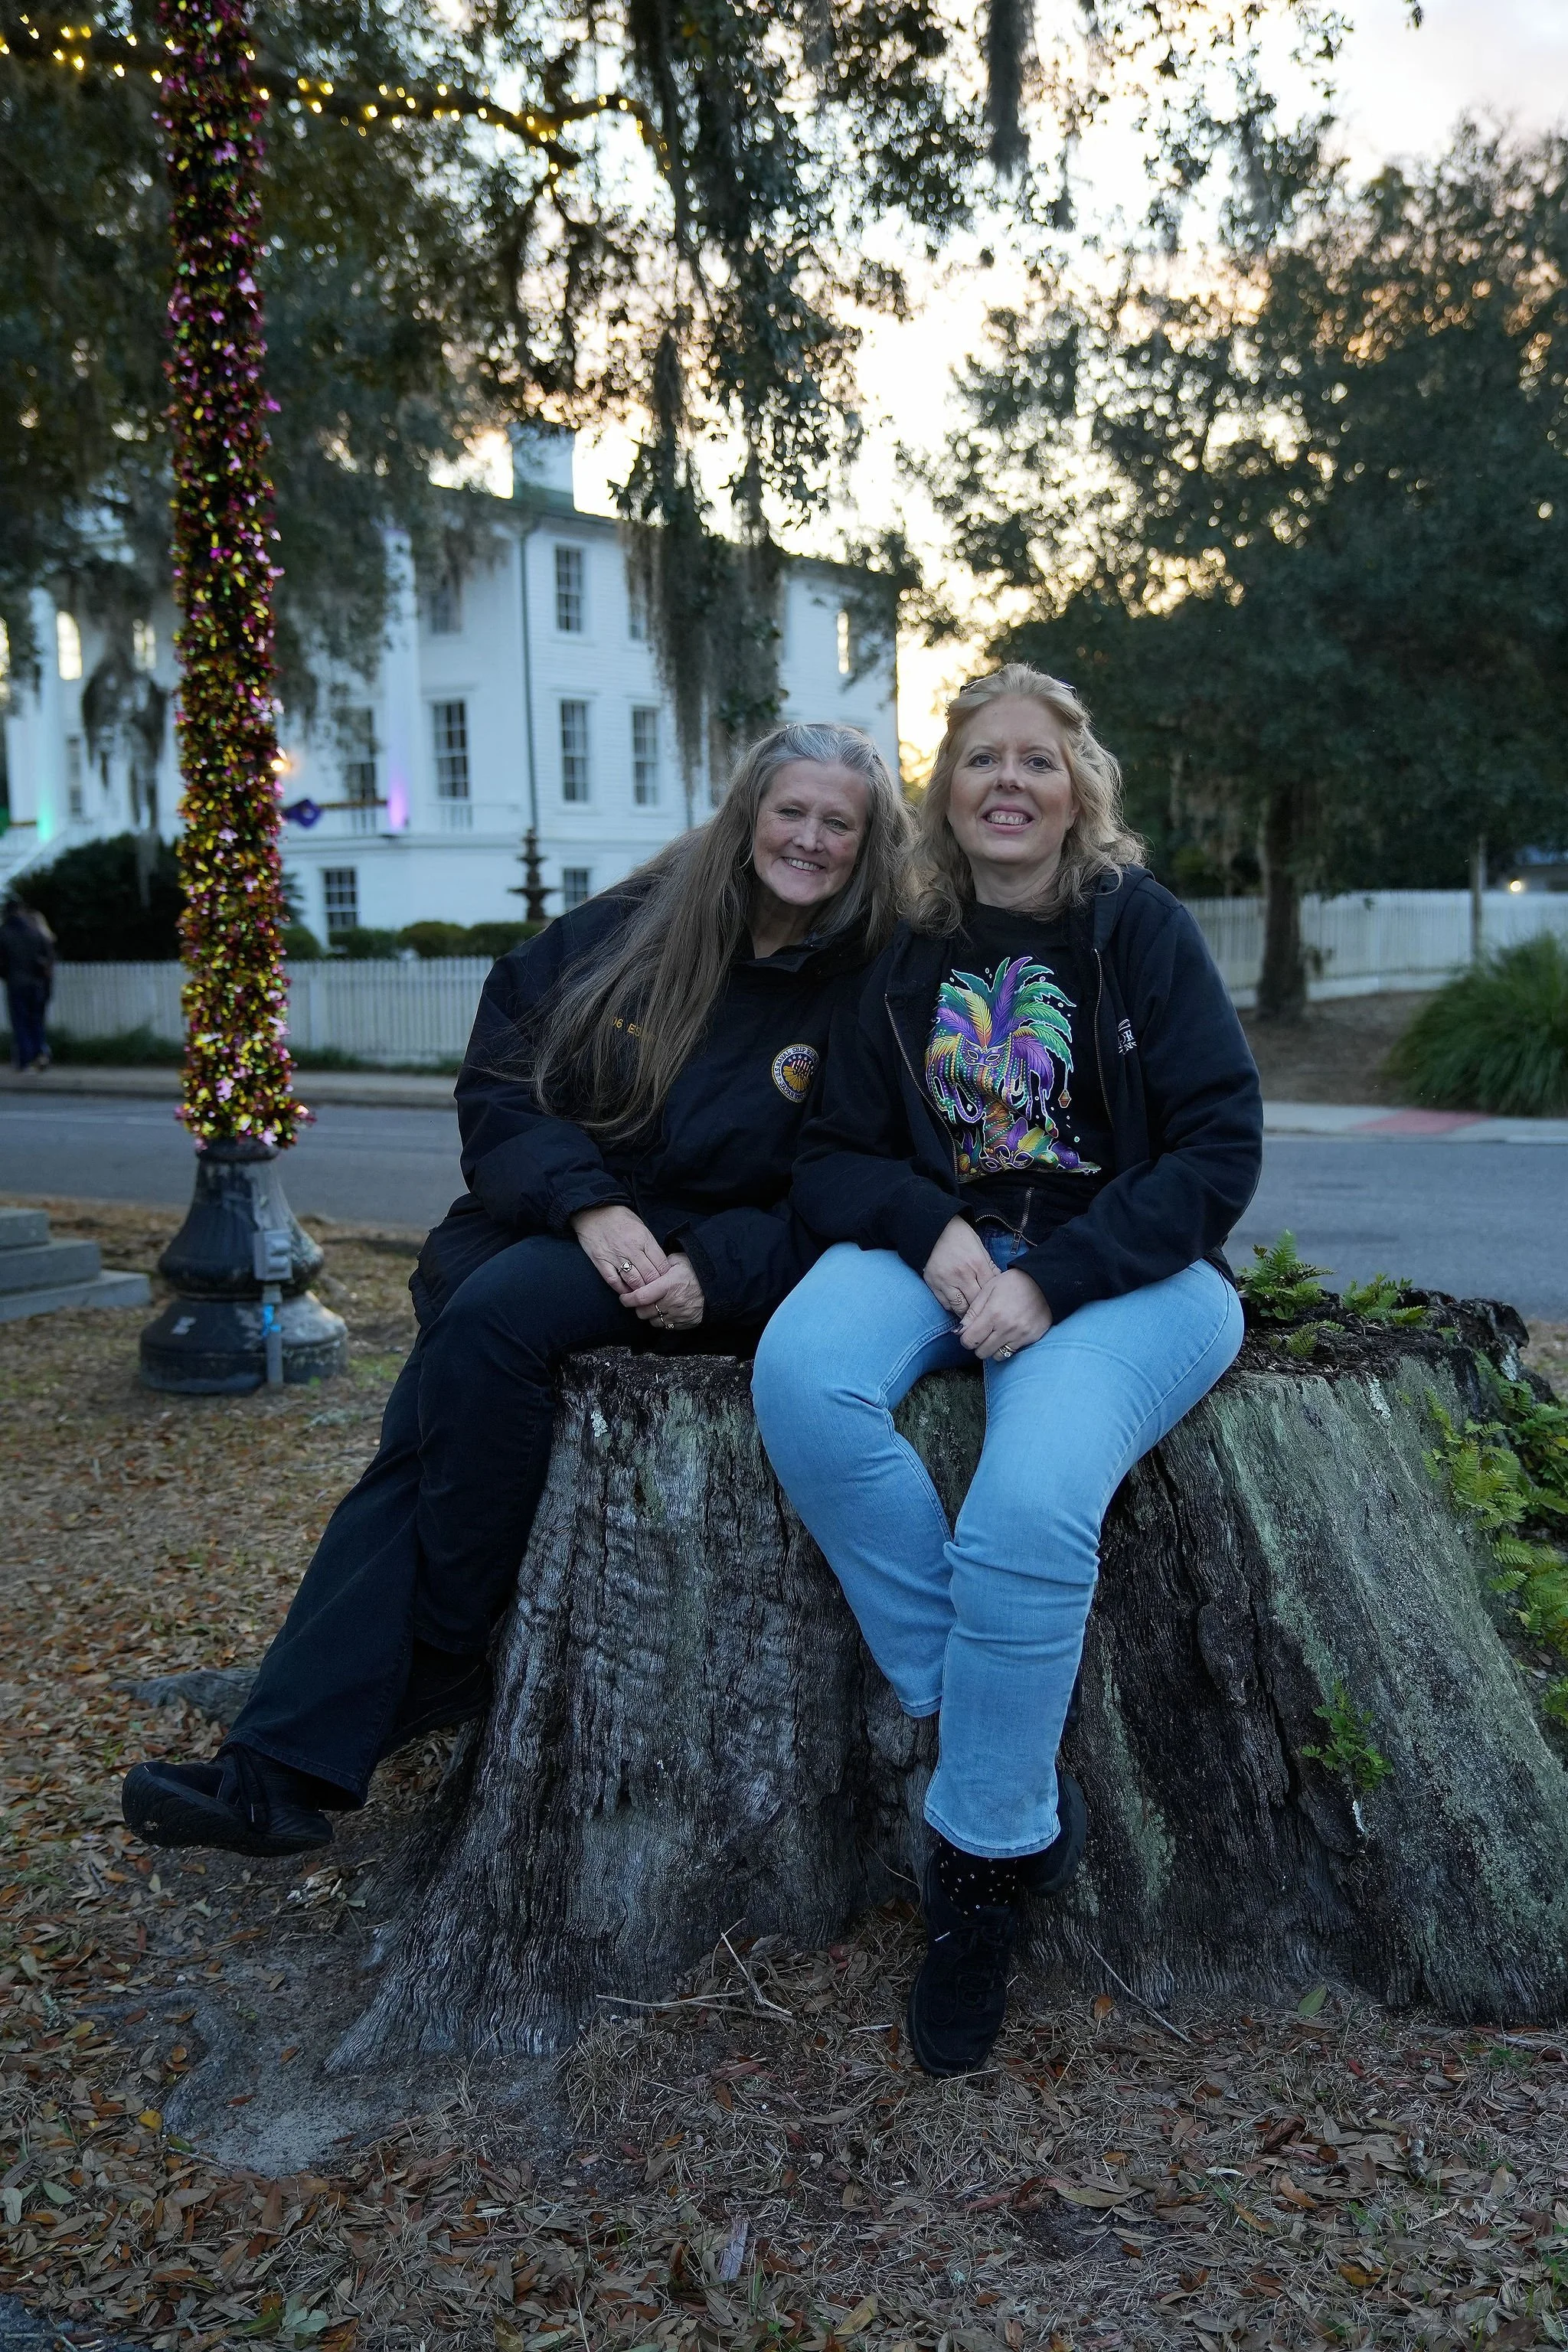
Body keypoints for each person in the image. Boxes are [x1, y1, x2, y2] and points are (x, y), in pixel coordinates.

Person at [123, 720, 911, 1858]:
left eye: (840, 823)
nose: (811, 838)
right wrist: (589, 1204)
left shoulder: (864, 987)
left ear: (867, 843)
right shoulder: (632, 928)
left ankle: (429, 1652)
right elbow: (502, 1084)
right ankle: (281, 1769)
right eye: (793, 811)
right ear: (749, 814)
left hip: (706, 1266)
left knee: (483, 1339)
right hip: (574, 1222)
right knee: (429, 1429)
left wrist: (714, 1274)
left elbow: (849, 1181)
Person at [751, 665, 1263, 2077]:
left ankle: (977, 1871)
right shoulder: (902, 950)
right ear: (948, 790)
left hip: (1132, 1276)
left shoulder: (1135, 930)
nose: (1009, 784)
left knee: (1029, 1508)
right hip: (946, 1246)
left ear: (1076, 788)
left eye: (1037, 761)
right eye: (982, 760)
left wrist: (1051, 1277)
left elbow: (1217, 1150)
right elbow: (833, 1151)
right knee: (800, 1377)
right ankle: (966, 1706)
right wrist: (930, 1232)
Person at [1, 897, 57, 1070]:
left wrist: (7, 975)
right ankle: (40, 1053)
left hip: (16, 982)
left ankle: (25, 1058)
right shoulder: (35, 931)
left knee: (20, 1021)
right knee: (36, 1020)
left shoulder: (4, 933)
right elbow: (49, 957)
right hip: (37, 983)